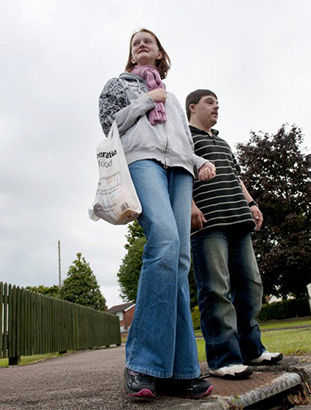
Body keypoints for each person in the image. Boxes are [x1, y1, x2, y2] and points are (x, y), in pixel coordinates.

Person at [99, 31, 216, 399]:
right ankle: (143, 363)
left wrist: (199, 161)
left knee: (180, 260)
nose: (142, 44)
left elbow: (181, 137)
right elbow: (110, 126)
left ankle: (181, 371)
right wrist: (146, 100)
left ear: (160, 52)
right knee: (164, 241)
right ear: (131, 55)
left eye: (148, 40)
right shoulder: (119, 84)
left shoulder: (176, 99)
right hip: (142, 161)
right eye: (136, 42)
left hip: (180, 169)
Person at [186, 89, 283, 380]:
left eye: (218, 103)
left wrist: (252, 203)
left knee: (251, 286)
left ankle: (251, 350)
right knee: (216, 290)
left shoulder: (223, 142)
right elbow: (178, 173)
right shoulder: (185, 139)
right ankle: (223, 359)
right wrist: (189, 205)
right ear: (193, 107)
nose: (217, 107)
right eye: (210, 102)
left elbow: (236, 177)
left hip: (239, 220)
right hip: (208, 224)